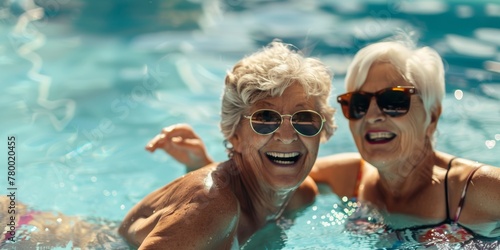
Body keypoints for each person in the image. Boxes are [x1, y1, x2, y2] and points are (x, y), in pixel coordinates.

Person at [155, 39, 500, 242]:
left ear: (433, 115)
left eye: (395, 100)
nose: (373, 115)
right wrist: (201, 171)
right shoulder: (350, 178)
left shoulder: (479, 190)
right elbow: (264, 185)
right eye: (359, 104)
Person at [118, 40, 336, 249]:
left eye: (304, 118)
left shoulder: (299, 197)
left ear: (322, 131)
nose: (287, 136)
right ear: (235, 135)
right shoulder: (212, 207)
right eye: (265, 118)